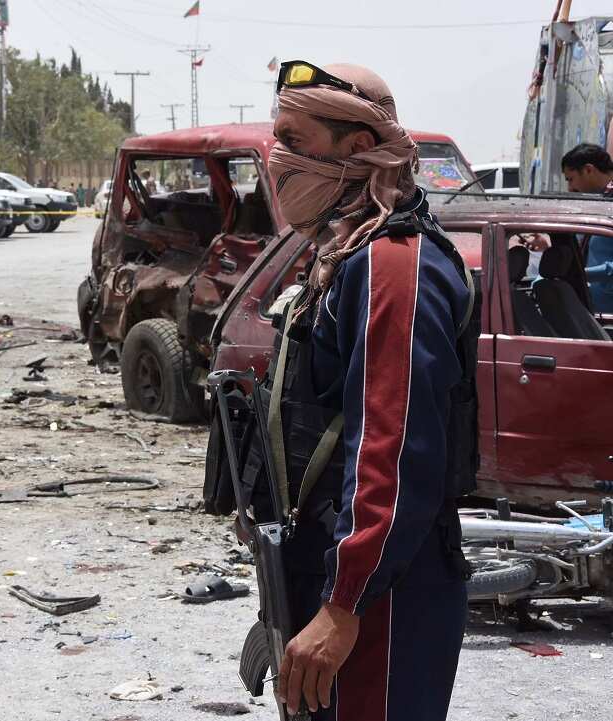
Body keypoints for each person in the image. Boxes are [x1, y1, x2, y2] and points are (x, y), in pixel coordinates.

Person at [261, 61, 477, 720]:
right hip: (335, 577)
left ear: (356, 149)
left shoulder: (393, 263)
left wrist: (344, 603)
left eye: (295, 141)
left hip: (383, 601)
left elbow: (392, 447)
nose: (278, 159)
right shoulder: (348, 252)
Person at [561, 143, 613, 313]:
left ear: (589, 170)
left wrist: (582, 273)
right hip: (592, 310)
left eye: (571, 179)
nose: (570, 188)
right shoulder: (599, 201)